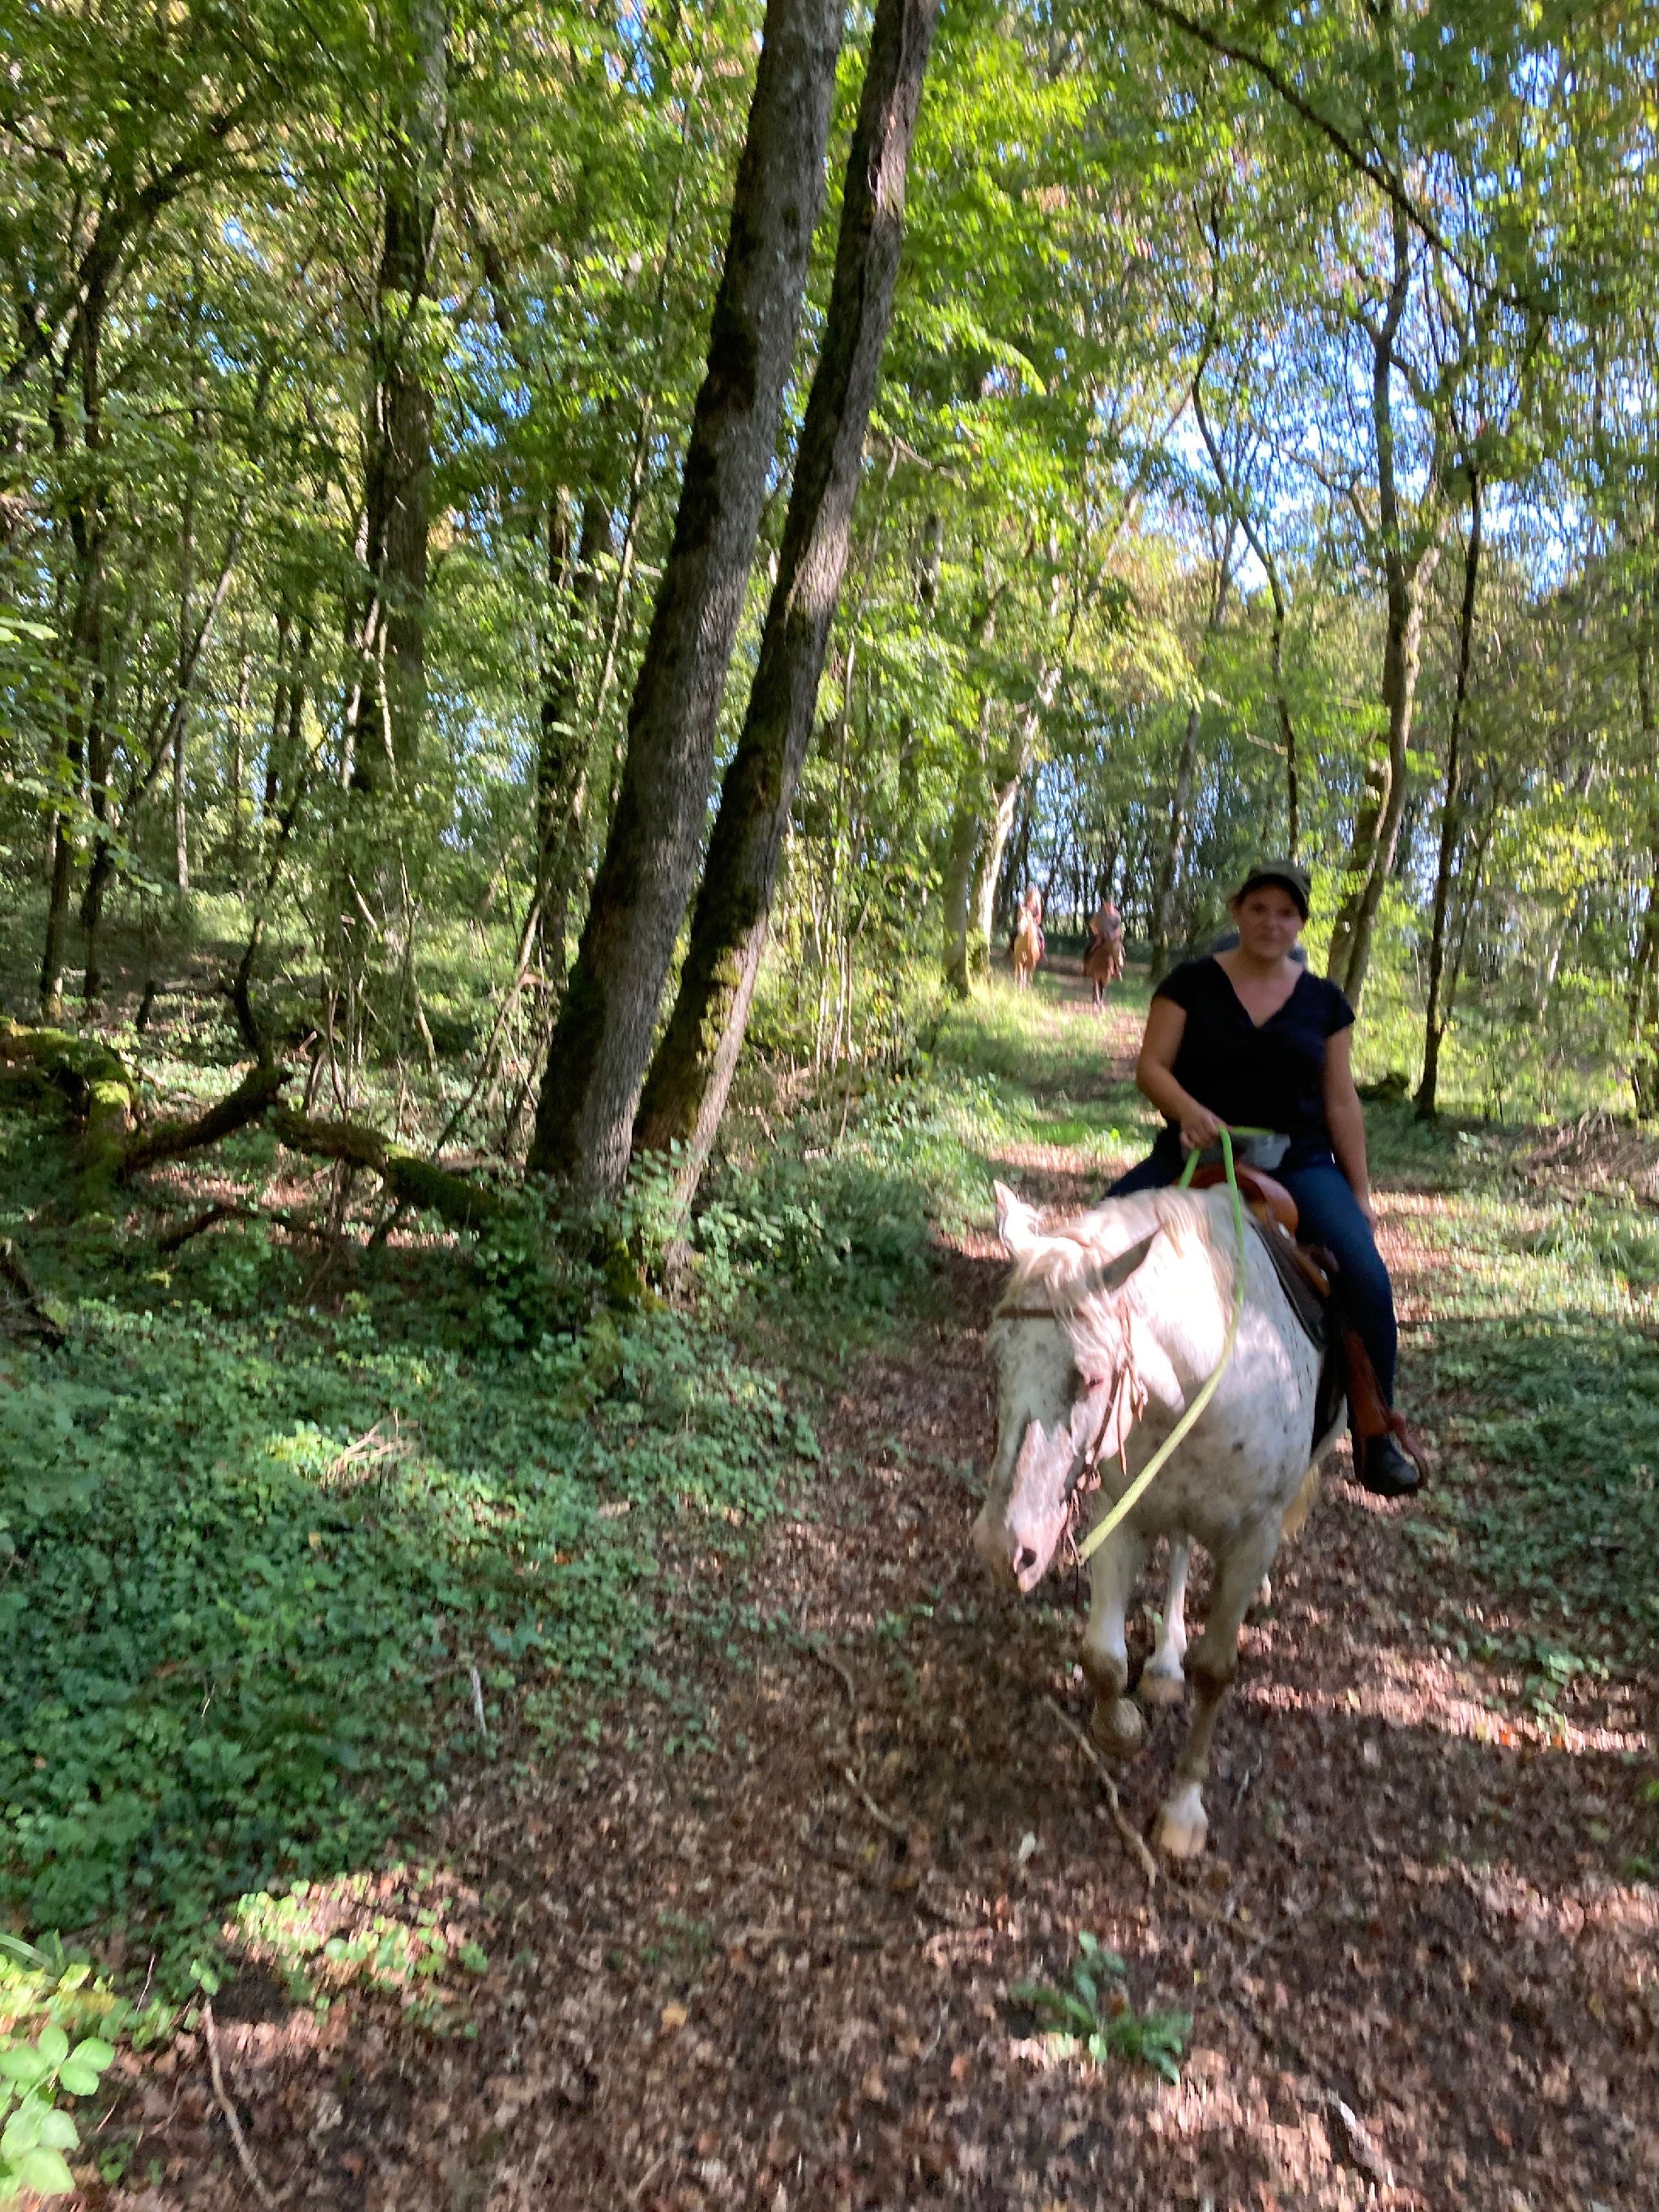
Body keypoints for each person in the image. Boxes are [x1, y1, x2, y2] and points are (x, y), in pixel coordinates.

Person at [1108, 860, 1421, 1498]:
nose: (1271, 922)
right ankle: (1082, 1396)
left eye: (1285, 912)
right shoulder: (1190, 982)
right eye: (1259, 908)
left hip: (1299, 1160)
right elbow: (1152, 1066)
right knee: (1098, 1243)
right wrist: (1188, 1111)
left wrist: (1360, 1192)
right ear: (1237, 910)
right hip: (1198, 1153)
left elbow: (1340, 1101)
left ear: (1300, 923)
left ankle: (1374, 1429)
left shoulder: (1325, 1002)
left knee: (1365, 1275)